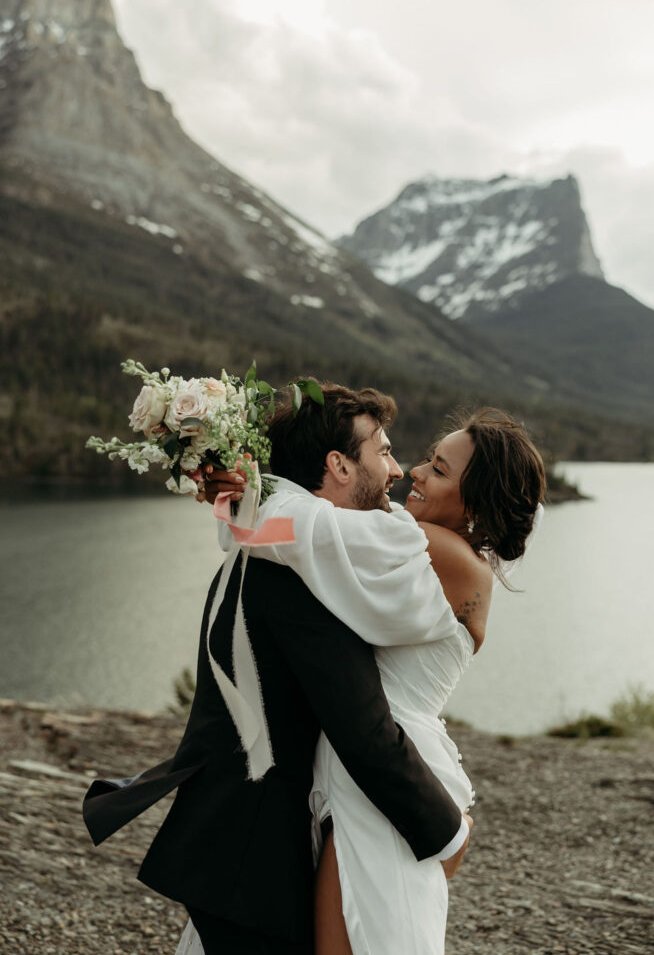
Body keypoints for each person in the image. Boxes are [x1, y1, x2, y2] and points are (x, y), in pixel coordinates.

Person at [82, 384, 477, 955]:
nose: (396, 469)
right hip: (257, 854)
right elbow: (363, 730)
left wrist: (239, 494)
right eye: (383, 451)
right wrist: (446, 832)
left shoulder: (263, 548)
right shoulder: (301, 575)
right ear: (339, 465)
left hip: (234, 836)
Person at [201, 398, 545, 955]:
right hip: (359, 768)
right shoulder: (410, 541)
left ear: (474, 502)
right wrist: (239, 494)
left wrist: (235, 488)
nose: (413, 471)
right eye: (426, 459)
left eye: (438, 469)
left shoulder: (436, 551)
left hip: (387, 772)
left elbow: (290, 530)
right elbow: (293, 533)